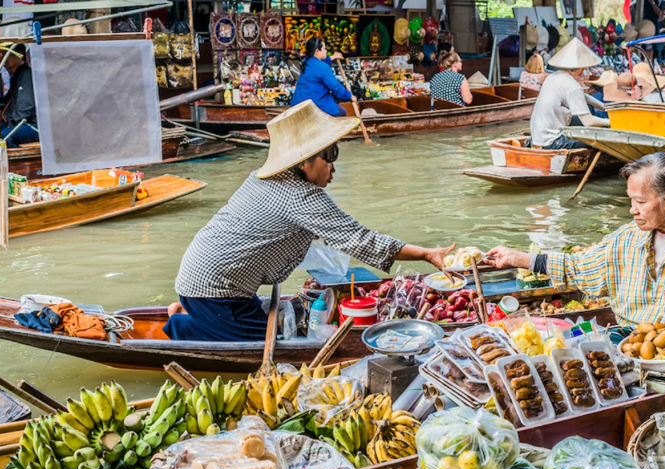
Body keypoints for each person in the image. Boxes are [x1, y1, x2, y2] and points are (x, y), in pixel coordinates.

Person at [164, 100, 457, 342]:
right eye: (328, 156)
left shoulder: (263, 179)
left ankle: (189, 311)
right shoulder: (302, 198)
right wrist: (426, 253)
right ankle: (181, 325)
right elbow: (362, 240)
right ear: (303, 162)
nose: (332, 168)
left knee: (273, 322)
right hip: (216, 294)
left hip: (204, 278)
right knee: (274, 341)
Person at [484, 152, 665, 335]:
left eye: (640, 202)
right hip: (630, 343)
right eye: (631, 200)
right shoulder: (624, 240)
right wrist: (516, 258)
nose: (632, 210)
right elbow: (578, 267)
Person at [528, 39, 608, 150]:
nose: (585, 69)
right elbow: (589, 122)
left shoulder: (554, 76)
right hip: (551, 142)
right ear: (578, 67)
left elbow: (583, 97)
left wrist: (605, 108)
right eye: (584, 67)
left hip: (539, 137)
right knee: (600, 143)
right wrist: (610, 122)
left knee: (588, 108)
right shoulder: (571, 85)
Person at [289, 37, 355, 117]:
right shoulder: (323, 68)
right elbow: (335, 87)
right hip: (313, 105)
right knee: (342, 112)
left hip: (298, 103)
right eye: (324, 49)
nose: (326, 51)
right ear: (317, 51)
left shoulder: (306, 61)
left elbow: (317, 63)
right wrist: (349, 96)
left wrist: (332, 57)